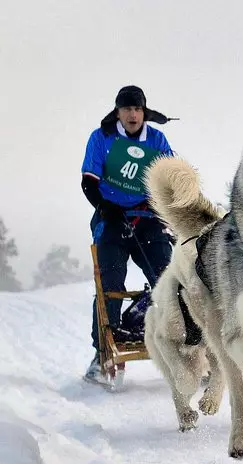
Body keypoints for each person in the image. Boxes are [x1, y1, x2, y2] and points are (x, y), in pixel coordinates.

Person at [81, 85, 177, 384]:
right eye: (127, 109)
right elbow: (88, 182)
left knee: (169, 279)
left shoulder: (157, 139)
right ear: (118, 112)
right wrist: (104, 207)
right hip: (111, 219)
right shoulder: (102, 138)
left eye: (137, 109)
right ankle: (102, 353)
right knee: (110, 284)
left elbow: (171, 177)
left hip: (147, 218)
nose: (133, 114)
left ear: (144, 112)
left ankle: (185, 346)